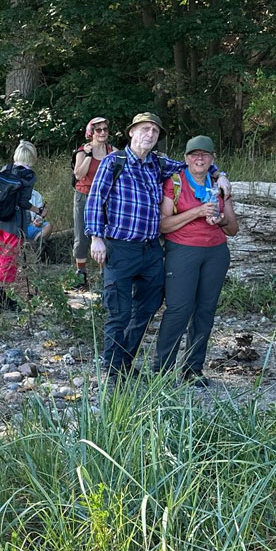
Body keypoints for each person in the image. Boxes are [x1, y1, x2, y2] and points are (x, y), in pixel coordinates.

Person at [86, 112, 230, 381]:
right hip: (120, 247)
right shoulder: (113, 162)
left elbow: (194, 165)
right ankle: (111, 371)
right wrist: (95, 237)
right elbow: (95, 200)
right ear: (131, 132)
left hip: (151, 249)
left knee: (147, 307)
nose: (149, 134)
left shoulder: (159, 163)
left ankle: (125, 364)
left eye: (154, 130)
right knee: (119, 311)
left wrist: (218, 174)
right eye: (144, 129)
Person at [153, 136, 240, 385]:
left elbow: (233, 228)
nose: (199, 159)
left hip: (215, 253)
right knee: (179, 309)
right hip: (182, 250)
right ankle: (163, 370)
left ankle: (193, 369)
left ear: (212, 158)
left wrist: (221, 217)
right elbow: (163, 224)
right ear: (186, 158)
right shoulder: (176, 182)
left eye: (204, 154)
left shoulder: (220, 184)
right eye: (194, 154)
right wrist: (198, 212)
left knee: (205, 311)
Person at [0, 140, 38, 312]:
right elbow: (24, 202)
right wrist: (38, 210)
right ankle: (0, 297)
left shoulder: (6, 168)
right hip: (14, 222)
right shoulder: (28, 176)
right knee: (8, 257)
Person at [72, 117, 114, 288]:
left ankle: (104, 273)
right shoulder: (82, 151)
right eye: (98, 130)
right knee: (82, 236)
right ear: (91, 133)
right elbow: (78, 175)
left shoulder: (112, 151)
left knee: (105, 235)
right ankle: (81, 274)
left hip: (106, 197)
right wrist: (89, 155)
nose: (102, 132)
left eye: (105, 129)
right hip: (85, 196)